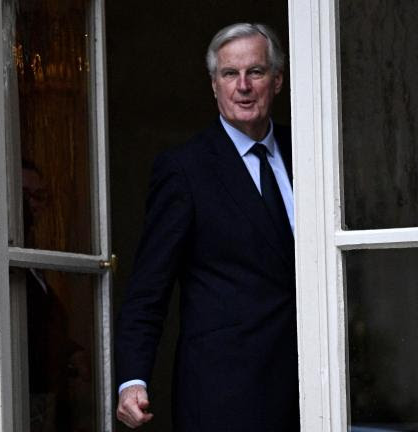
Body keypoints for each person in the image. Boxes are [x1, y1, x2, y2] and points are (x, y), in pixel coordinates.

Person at [114, 23, 299, 431]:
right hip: (224, 395)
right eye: (230, 74)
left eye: (256, 72)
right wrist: (132, 379)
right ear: (214, 85)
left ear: (278, 80)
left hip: (310, 388)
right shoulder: (184, 169)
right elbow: (149, 287)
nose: (244, 86)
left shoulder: (307, 150)